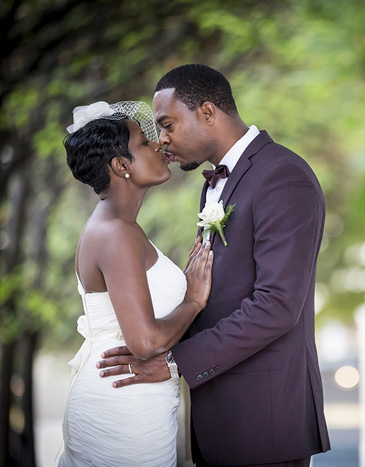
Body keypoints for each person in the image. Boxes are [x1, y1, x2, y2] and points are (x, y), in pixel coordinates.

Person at [97, 65, 331, 466]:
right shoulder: (212, 184)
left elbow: (277, 305)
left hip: (264, 422)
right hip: (219, 420)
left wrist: (172, 363)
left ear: (207, 112)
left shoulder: (283, 176)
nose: (163, 140)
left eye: (167, 124)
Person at [59, 100, 214, 466]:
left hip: (134, 394)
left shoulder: (117, 227)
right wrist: (192, 300)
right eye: (145, 143)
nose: (159, 144)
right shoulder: (116, 233)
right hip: (121, 401)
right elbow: (144, 342)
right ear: (120, 165)